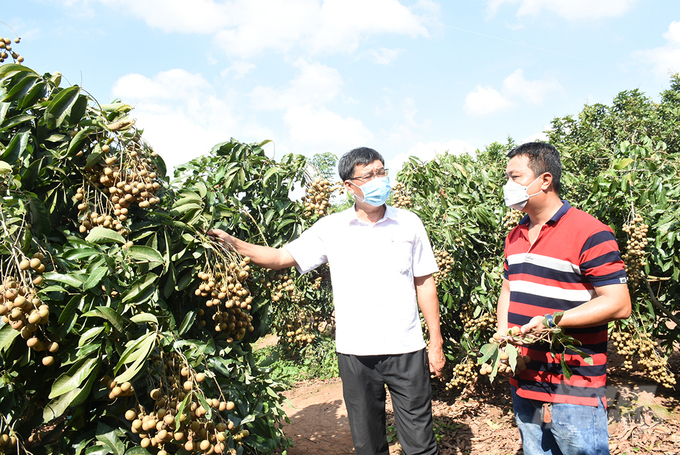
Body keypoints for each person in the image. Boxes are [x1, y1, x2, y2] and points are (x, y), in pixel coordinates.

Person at [208, 147, 444, 455]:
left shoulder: (409, 223)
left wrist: (435, 341)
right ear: (349, 186)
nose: (379, 180)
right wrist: (236, 245)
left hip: (406, 348)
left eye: (381, 172)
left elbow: (424, 282)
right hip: (355, 352)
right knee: (368, 444)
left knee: (420, 444)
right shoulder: (332, 228)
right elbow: (281, 257)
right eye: (369, 175)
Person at [496, 142, 631, 455]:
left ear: (544, 180)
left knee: (579, 448)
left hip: (574, 378)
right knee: (535, 449)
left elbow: (619, 303)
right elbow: (508, 289)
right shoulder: (515, 235)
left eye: (515, 177)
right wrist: (504, 338)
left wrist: (550, 322)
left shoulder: (590, 232)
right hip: (525, 375)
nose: (508, 186)